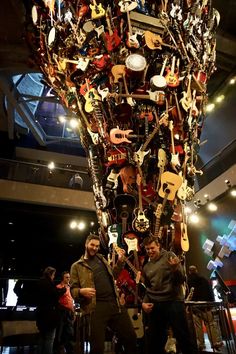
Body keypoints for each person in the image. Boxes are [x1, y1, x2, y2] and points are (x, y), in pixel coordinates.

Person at [70, 233, 137, 354]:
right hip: (96, 308)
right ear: (86, 244)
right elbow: (72, 290)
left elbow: (113, 275)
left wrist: (121, 261)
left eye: (97, 246)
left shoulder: (102, 259)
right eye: (92, 245)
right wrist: (81, 291)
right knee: (97, 347)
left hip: (114, 304)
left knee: (131, 337)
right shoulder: (77, 266)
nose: (94, 248)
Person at [141, 236, 198, 354]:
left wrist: (175, 268)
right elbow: (148, 288)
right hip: (156, 305)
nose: (150, 251)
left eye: (152, 248)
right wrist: (144, 302)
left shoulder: (169, 256)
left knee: (183, 337)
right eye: (147, 249)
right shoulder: (146, 266)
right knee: (154, 340)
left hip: (173, 302)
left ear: (158, 246)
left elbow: (181, 279)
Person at [187, 265, 223, 351]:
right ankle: (215, 343)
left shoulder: (188, 281)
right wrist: (211, 304)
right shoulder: (204, 279)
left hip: (194, 307)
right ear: (196, 270)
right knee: (210, 324)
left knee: (198, 327)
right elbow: (210, 292)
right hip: (206, 306)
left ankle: (200, 345)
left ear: (189, 271)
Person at [36, 266, 66, 354]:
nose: (54, 277)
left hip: (40, 315)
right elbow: (55, 295)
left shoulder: (39, 282)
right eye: (53, 275)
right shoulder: (49, 283)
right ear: (51, 274)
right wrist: (63, 290)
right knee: (50, 339)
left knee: (42, 338)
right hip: (49, 317)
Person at [54, 271, 75, 354]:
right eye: (66, 277)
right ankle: (59, 348)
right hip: (62, 312)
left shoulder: (70, 287)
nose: (68, 278)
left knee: (69, 331)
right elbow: (58, 300)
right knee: (61, 331)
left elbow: (71, 299)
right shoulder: (59, 287)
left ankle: (69, 349)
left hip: (69, 311)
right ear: (62, 278)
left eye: (69, 277)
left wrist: (73, 310)